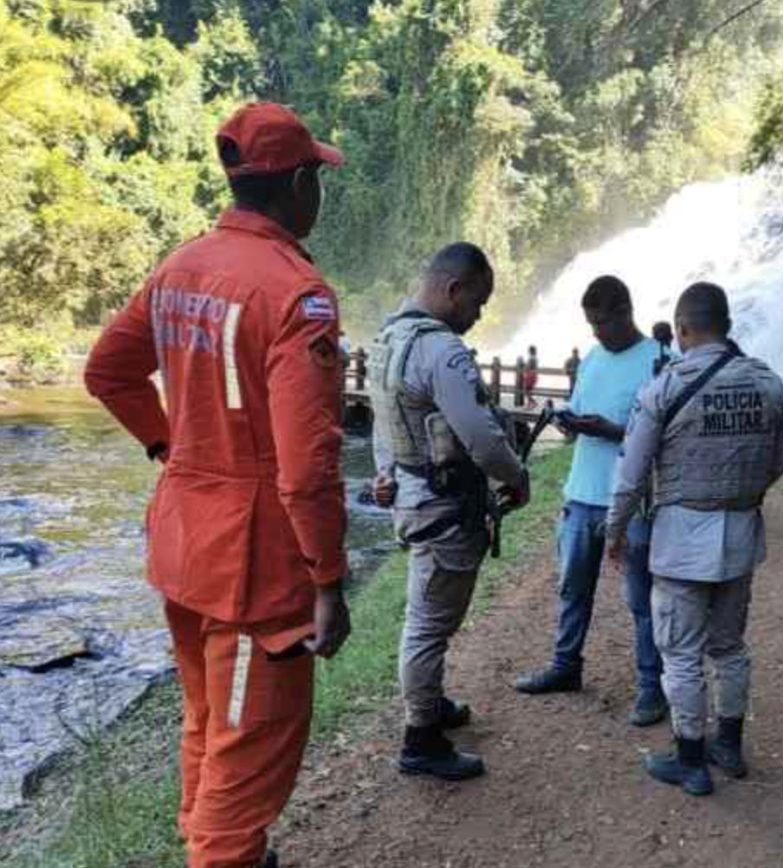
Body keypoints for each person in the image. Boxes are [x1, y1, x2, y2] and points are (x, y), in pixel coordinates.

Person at [84, 102, 351, 868]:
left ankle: (212, 846)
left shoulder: (181, 265)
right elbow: (307, 466)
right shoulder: (296, 296)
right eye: (317, 179)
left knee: (207, 719)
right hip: (254, 572)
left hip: (183, 542)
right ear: (301, 183)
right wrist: (328, 579)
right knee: (246, 757)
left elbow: (108, 371)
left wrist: (173, 444)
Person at [606, 281, 783, 797]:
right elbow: (775, 465)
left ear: (682, 330)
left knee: (681, 653)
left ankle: (689, 762)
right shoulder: (770, 384)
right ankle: (728, 746)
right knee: (729, 646)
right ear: (727, 325)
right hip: (741, 535)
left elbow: (632, 474)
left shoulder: (665, 387)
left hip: (681, 539)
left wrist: (615, 532)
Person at [369, 243, 529, 781]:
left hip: (413, 494)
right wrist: (518, 475)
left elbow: (384, 425)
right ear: (453, 290)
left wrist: (386, 475)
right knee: (429, 624)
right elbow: (482, 438)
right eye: (477, 302)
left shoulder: (391, 339)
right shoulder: (442, 351)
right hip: (444, 504)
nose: (478, 315)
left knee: (430, 617)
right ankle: (421, 739)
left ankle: (431, 704)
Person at [515, 276, 668, 727]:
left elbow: (668, 436)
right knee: (571, 589)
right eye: (590, 323)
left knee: (641, 599)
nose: (596, 332)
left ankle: (650, 689)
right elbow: (581, 411)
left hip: (633, 499)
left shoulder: (661, 363)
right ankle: (565, 667)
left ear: (625, 311)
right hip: (582, 493)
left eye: (601, 322)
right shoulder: (595, 359)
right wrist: (571, 423)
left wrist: (613, 430)